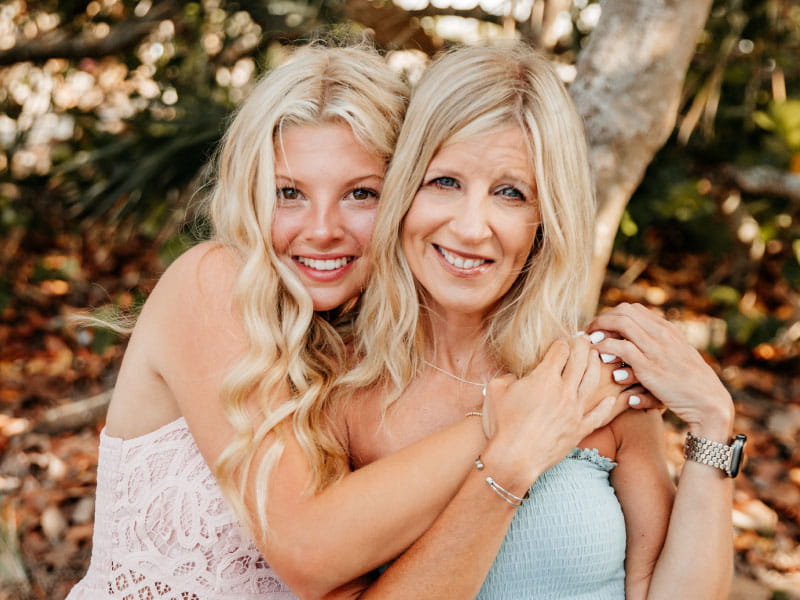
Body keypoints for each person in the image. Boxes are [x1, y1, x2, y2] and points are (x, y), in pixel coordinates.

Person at [259, 43, 738, 600]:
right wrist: (505, 457)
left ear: (544, 217)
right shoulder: (334, 385)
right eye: (444, 182)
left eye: (510, 193)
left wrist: (711, 423)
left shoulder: (593, 377)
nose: (470, 227)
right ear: (401, 189)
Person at [65, 42, 411, 599]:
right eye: (289, 193)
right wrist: (503, 426)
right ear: (250, 195)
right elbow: (311, 555)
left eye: (361, 194)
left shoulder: (385, 344)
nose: (322, 229)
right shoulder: (211, 281)